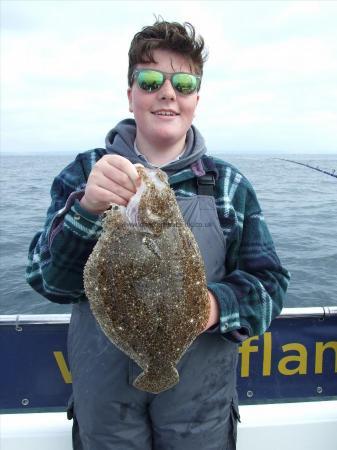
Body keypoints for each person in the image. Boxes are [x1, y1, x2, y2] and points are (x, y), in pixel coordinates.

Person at [26, 19, 290, 450]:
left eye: (183, 83)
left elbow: (271, 286)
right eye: (150, 80)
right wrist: (88, 209)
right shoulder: (84, 176)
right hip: (106, 414)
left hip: (200, 415)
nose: (167, 92)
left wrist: (208, 307)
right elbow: (48, 283)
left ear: (196, 99)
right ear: (130, 94)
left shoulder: (228, 184)